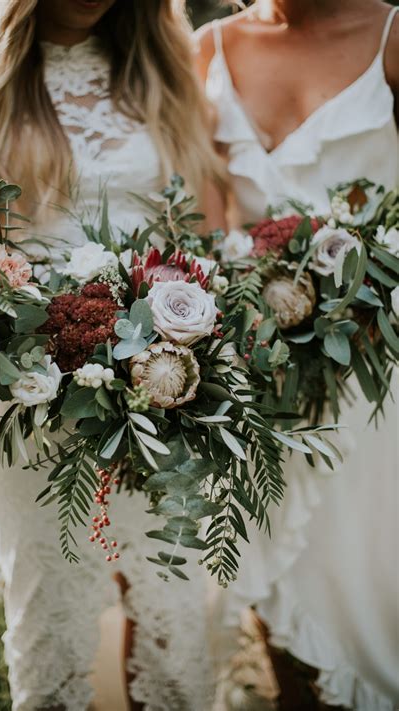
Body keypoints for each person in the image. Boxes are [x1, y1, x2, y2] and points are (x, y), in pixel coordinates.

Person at [0, 2, 225, 709]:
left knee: (173, 617)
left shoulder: (164, 66)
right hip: (34, 396)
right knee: (52, 625)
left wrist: (189, 337)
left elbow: (202, 227)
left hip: (167, 382)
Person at [197, 1, 399, 709]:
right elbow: (198, 223)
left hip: (374, 381)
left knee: (372, 587)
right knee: (278, 577)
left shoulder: (390, 36)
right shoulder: (208, 49)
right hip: (262, 380)